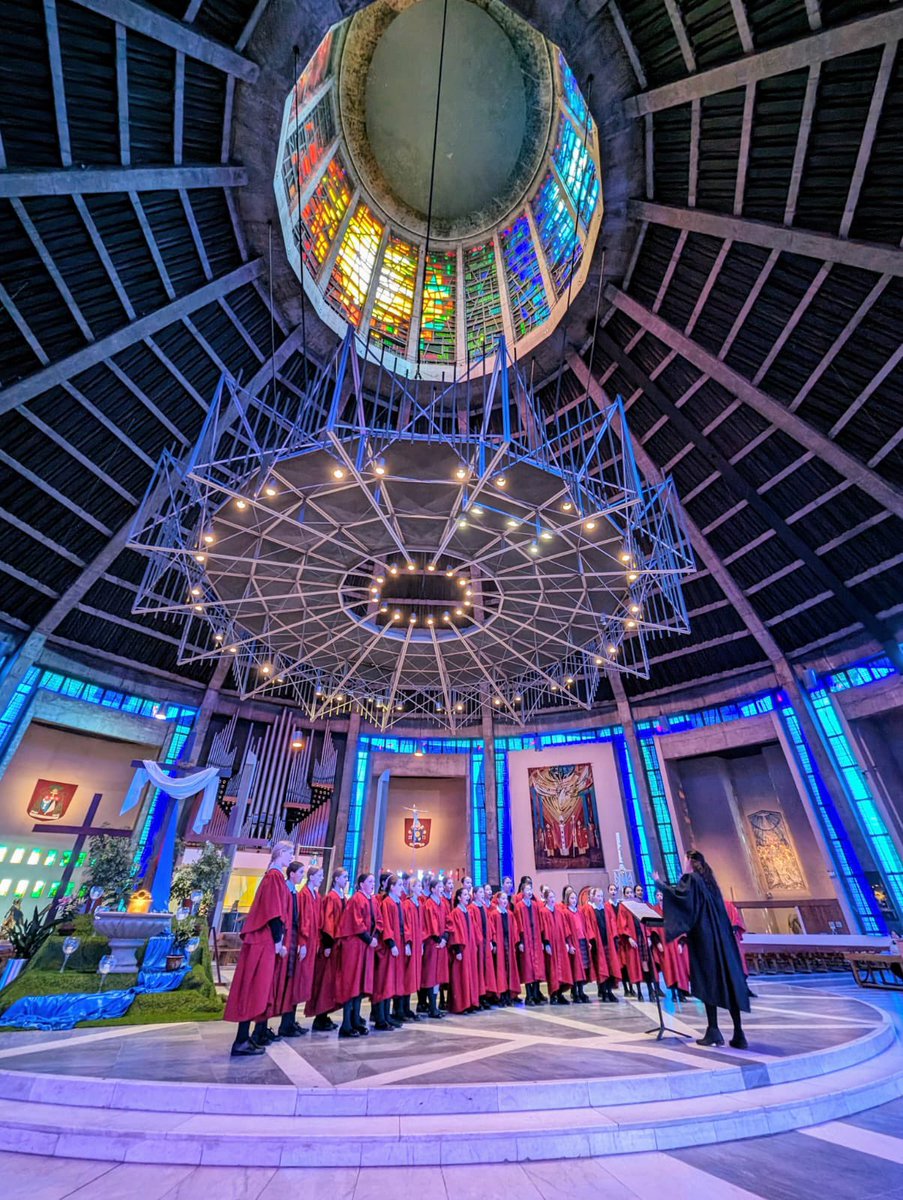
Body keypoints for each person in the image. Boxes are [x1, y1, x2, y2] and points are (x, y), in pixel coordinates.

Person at [656, 850, 751, 1048]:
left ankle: (714, 1030)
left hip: (706, 941)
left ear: (690, 861)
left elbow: (679, 898)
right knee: (728, 981)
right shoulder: (710, 883)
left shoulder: (691, 880)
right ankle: (738, 1033)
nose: (683, 863)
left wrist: (659, 883)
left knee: (709, 981)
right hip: (723, 941)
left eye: (684, 860)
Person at [224, 840, 293, 1057]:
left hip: (263, 939)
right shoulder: (274, 877)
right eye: (290, 853)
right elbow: (274, 911)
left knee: (258, 989)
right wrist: (278, 940)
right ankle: (241, 1040)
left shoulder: (273, 876)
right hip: (262, 940)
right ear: (280, 853)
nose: (291, 858)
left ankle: (248, 1037)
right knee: (253, 988)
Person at [335, 872, 381, 1039]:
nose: (372, 884)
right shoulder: (357, 899)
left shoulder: (372, 900)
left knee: (361, 985)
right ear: (361, 884)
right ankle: (346, 1024)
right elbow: (355, 922)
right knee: (352, 983)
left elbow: (379, 921)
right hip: (355, 947)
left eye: (373, 882)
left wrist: (374, 937)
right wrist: (369, 939)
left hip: (366, 947)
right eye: (369, 881)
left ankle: (356, 1020)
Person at [271, 860, 310, 1038]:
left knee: (292, 982)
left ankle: (288, 1022)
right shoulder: (286, 890)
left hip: (293, 941)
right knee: (280, 983)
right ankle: (278, 1025)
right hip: (285, 941)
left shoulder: (294, 892)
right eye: (301, 872)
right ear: (292, 873)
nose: (303, 876)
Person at [307, 867, 347, 1032]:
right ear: (336, 879)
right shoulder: (331, 897)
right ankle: (320, 1016)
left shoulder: (341, 897)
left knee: (331, 982)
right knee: (325, 980)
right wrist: (328, 943)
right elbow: (328, 921)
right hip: (330, 946)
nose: (346, 880)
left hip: (338, 946)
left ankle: (324, 1015)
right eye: (344, 877)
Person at [372, 874, 404, 1031]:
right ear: (392, 887)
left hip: (395, 947)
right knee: (384, 983)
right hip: (387, 949)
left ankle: (387, 1016)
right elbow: (386, 926)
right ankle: (380, 1019)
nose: (402, 888)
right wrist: (391, 944)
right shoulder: (387, 903)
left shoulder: (397, 903)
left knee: (390, 982)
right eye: (399, 885)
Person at [420, 874, 449, 1018]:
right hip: (432, 944)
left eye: (442, 887)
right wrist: (439, 939)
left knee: (438, 976)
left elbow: (448, 922)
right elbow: (431, 925)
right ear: (432, 889)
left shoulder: (443, 903)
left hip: (441, 944)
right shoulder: (429, 904)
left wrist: (445, 938)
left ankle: (435, 1006)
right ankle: (431, 1007)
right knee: (431, 976)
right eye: (439, 887)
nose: (441, 889)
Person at [654, 887, 690, 1002]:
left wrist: (681, 943)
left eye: (662, 895)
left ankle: (681, 993)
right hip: (664, 945)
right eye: (658, 895)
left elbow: (680, 927)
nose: (660, 897)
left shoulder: (673, 910)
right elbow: (652, 928)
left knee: (679, 969)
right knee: (668, 970)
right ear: (656, 897)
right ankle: (673, 993)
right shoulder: (654, 911)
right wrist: (657, 942)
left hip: (674, 943)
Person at [448, 885, 480, 1013]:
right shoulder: (455, 913)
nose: (468, 897)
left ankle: (470, 1002)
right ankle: (461, 1005)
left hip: (470, 948)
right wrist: (458, 950)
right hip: (461, 949)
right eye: (465, 895)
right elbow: (454, 932)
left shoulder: (468, 912)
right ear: (459, 898)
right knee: (461, 976)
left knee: (470, 975)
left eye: (468, 894)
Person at [583, 887, 617, 1002]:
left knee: (610, 967)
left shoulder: (606, 908)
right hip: (598, 943)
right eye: (598, 896)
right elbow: (588, 926)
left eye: (601, 896)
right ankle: (603, 991)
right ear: (593, 897)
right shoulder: (590, 910)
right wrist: (592, 940)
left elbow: (612, 922)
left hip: (608, 942)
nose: (600, 898)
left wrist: (614, 937)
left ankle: (610, 991)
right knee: (601, 968)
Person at [539, 886, 573, 1004]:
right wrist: (546, 943)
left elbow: (565, 928)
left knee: (562, 969)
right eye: (550, 897)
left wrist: (567, 943)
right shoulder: (543, 912)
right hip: (551, 945)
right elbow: (543, 929)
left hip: (560, 945)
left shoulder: (559, 911)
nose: (553, 899)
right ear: (546, 899)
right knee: (553, 970)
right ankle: (553, 994)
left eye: (554, 897)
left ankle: (560, 994)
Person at [514, 879, 545, 1005]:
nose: (529, 892)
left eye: (531, 889)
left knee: (537, 967)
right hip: (526, 940)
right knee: (528, 968)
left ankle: (536, 993)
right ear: (522, 892)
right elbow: (519, 925)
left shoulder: (535, 905)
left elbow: (540, 923)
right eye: (527, 890)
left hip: (536, 939)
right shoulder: (519, 906)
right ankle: (529, 995)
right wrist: (520, 941)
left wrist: (542, 940)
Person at [399, 875, 424, 1021]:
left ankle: (408, 1009)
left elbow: (421, 927)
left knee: (412, 977)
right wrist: (408, 943)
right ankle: (401, 1009)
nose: (421, 889)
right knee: (406, 977)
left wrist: (420, 944)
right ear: (412, 888)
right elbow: (406, 925)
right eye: (419, 886)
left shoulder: (418, 904)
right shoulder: (407, 904)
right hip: (410, 945)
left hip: (417, 944)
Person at [489, 889, 520, 1005]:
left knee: (509, 969)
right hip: (500, 945)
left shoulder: (510, 914)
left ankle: (508, 995)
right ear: (497, 900)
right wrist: (495, 943)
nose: (504, 901)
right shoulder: (494, 914)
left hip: (508, 944)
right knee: (501, 969)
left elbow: (515, 929)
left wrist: (515, 943)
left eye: (506, 899)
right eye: (502, 899)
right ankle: (501, 996)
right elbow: (492, 930)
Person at [616, 885, 646, 999]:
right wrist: (628, 937)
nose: (629, 895)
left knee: (645, 964)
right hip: (632, 939)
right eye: (627, 893)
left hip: (641, 937)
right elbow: (622, 924)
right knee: (635, 966)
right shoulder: (623, 907)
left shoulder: (638, 905)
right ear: (624, 895)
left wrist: (647, 936)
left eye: (630, 892)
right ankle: (638, 992)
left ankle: (651, 989)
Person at [562, 885, 591, 1003]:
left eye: (575, 898)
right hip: (574, 942)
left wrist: (587, 941)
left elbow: (584, 927)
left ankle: (581, 991)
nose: (574, 900)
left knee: (583, 968)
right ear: (568, 899)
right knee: (576, 968)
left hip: (582, 941)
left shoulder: (579, 911)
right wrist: (569, 944)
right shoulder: (566, 912)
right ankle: (575, 992)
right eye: (572, 898)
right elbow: (566, 930)